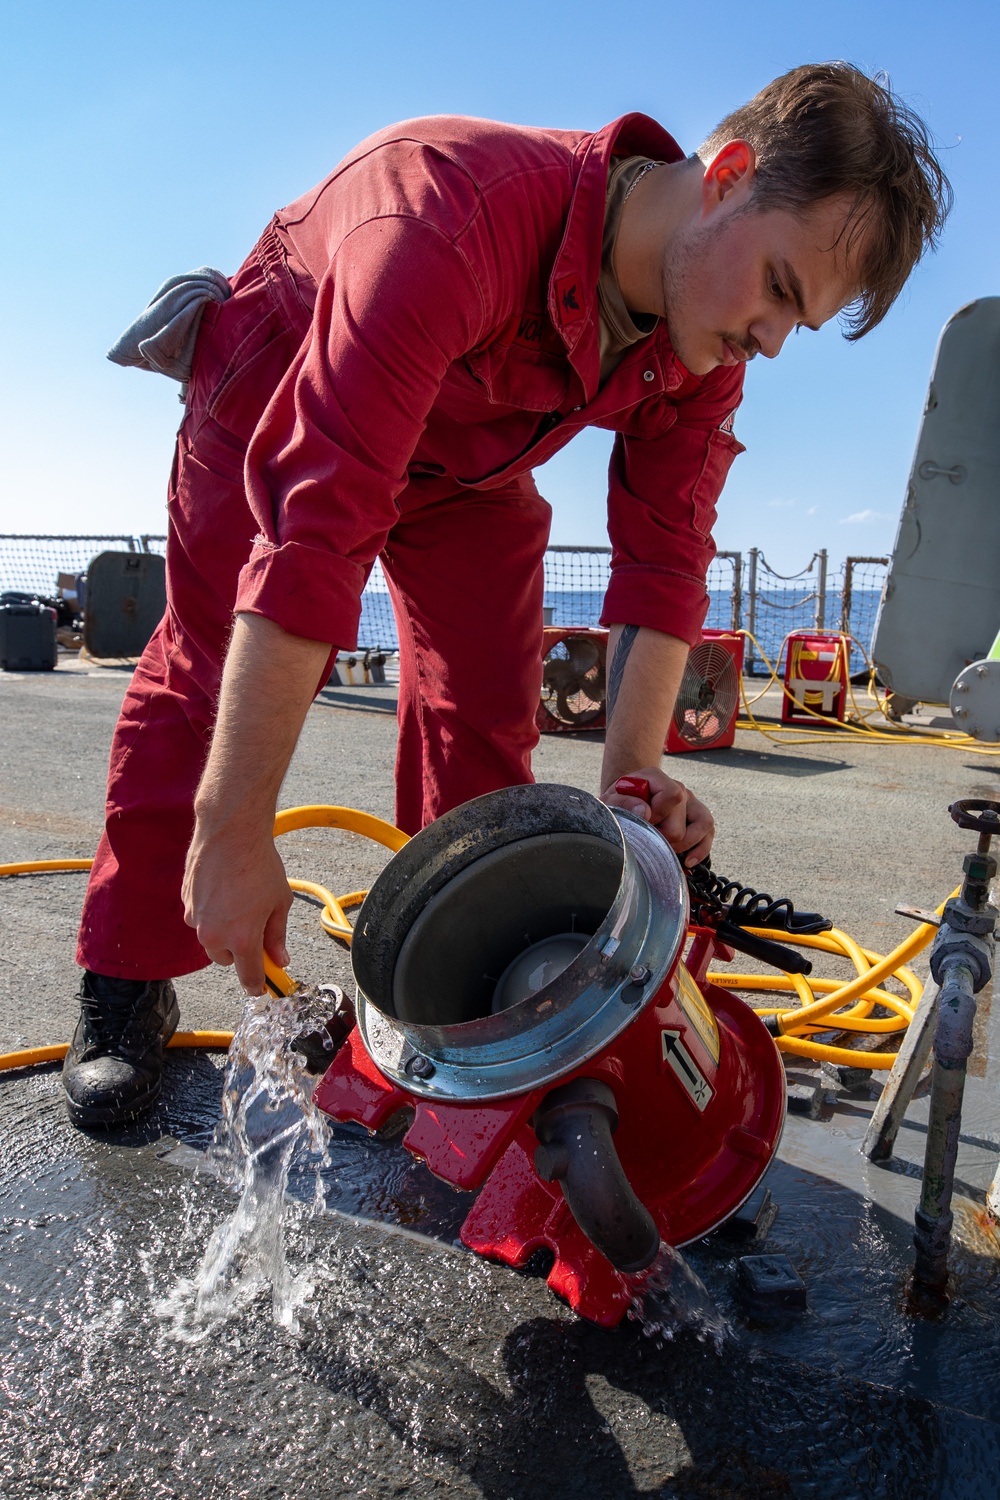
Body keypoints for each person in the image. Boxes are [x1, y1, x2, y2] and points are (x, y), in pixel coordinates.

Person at [62, 62, 950, 1127]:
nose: (768, 339)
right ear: (725, 176)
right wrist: (236, 826)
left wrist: (634, 787)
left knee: (484, 696)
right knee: (209, 665)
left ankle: (459, 985)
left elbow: (665, 562)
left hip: (466, 459)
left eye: (796, 326)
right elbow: (318, 536)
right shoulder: (444, 214)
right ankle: (124, 982)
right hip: (286, 374)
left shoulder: (702, 344)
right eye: (779, 290)